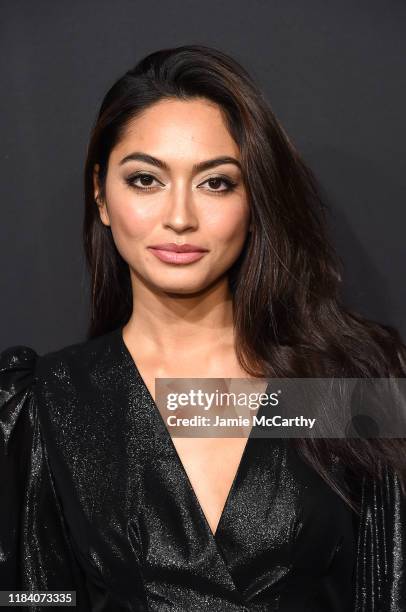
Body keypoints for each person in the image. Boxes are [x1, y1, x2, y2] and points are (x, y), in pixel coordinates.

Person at [1, 44, 406, 612]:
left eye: (216, 183)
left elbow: (390, 583)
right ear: (101, 195)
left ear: (254, 197)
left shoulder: (346, 385)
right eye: (146, 180)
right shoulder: (49, 403)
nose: (181, 217)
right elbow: (33, 597)